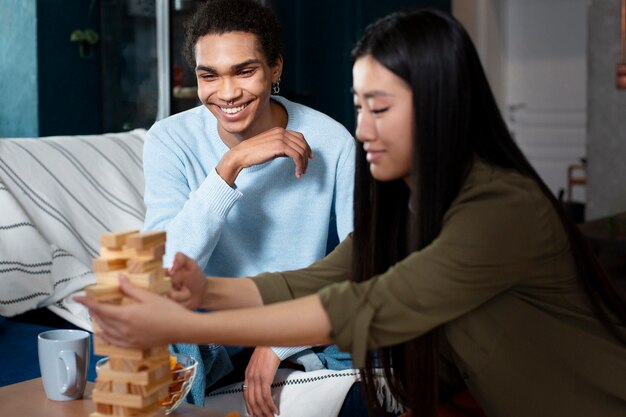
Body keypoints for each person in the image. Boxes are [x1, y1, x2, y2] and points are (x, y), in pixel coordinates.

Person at [78, 8, 626, 417]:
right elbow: (339, 268)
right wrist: (205, 294)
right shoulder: (416, 208)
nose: (361, 130)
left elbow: (364, 304)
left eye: (379, 108)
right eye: (359, 106)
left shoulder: (498, 208)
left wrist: (179, 320)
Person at [140, 0, 355, 413]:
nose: (227, 93)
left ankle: (304, 362)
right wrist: (229, 167)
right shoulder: (169, 139)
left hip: (295, 315)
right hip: (211, 326)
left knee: (376, 322)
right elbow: (164, 269)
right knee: (150, 315)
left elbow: (362, 263)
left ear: (275, 68)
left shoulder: (333, 142)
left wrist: (278, 342)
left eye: (244, 70)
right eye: (210, 76)